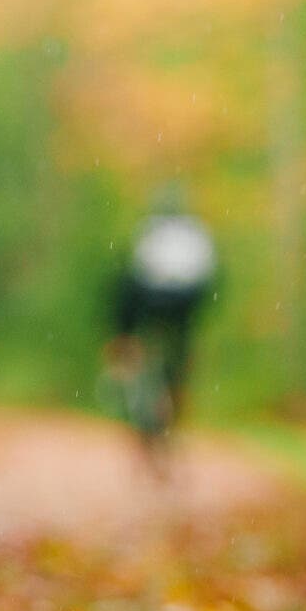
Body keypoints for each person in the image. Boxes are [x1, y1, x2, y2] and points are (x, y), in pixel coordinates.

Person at [107, 192, 219, 461]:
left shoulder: (149, 230)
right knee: (180, 359)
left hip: (152, 300)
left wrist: (123, 330)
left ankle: (145, 405)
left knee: (144, 352)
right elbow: (211, 281)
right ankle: (176, 393)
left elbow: (132, 280)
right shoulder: (196, 232)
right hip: (187, 303)